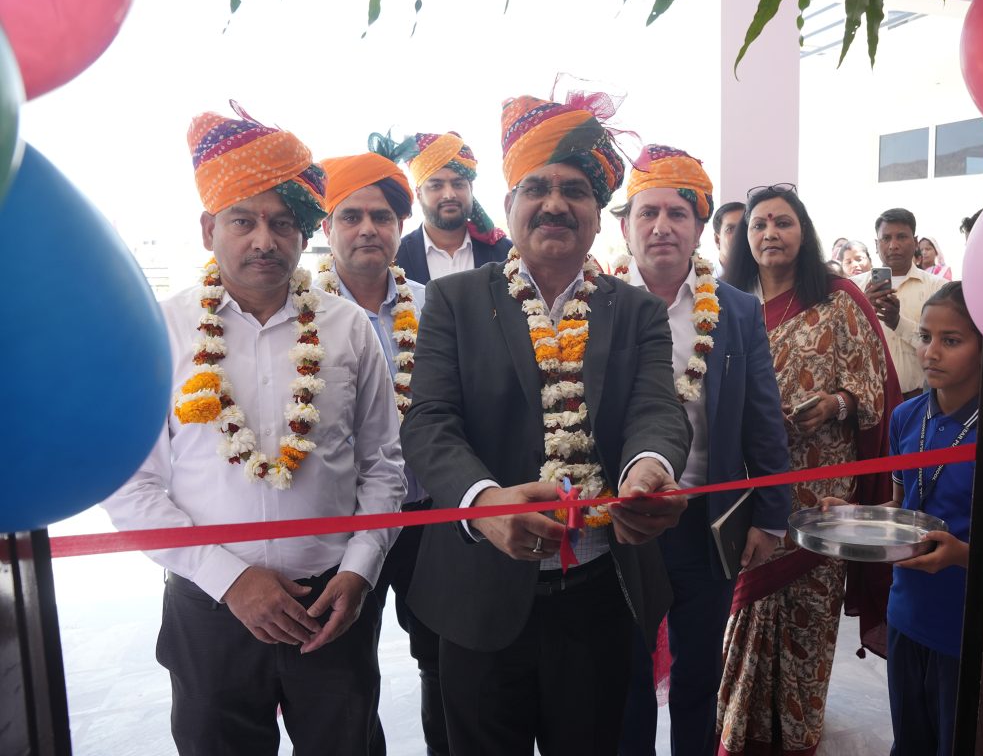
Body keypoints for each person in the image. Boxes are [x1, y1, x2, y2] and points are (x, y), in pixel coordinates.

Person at [102, 103, 406, 756]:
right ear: (208, 229)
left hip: (332, 608)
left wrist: (360, 570)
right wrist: (229, 579)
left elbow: (384, 466)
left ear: (304, 232)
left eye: (282, 222)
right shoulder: (161, 332)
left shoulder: (347, 328)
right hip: (208, 608)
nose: (264, 240)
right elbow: (130, 485)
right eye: (243, 220)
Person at [402, 92, 692, 756]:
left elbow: (657, 409)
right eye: (537, 188)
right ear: (508, 207)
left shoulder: (637, 311)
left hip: (600, 593)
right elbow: (429, 422)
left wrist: (649, 469)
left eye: (575, 190)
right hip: (479, 598)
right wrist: (483, 504)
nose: (555, 204)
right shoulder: (453, 300)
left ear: (598, 213)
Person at [609, 146, 792, 756]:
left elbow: (763, 417)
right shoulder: (599, 304)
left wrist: (770, 514)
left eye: (677, 213)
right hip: (622, 521)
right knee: (627, 675)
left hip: (705, 521)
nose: (662, 226)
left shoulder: (736, 311)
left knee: (698, 673)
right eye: (648, 212)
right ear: (626, 227)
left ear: (699, 227)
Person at [716, 184, 901, 756]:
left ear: (804, 232)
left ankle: (797, 733)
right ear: (745, 239)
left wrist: (835, 405)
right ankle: (738, 731)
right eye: (759, 225)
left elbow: (875, 387)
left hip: (822, 495)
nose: (770, 233)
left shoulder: (839, 299)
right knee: (743, 609)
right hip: (749, 490)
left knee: (808, 616)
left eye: (783, 222)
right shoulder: (725, 304)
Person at [315, 141, 451, 756]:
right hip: (343, 528)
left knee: (444, 661)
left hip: (430, 519)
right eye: (351, 215)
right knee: (343, 677)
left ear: (401, 226)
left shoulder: (435, 305)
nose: (368, 228)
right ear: (327, 228)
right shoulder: (305, 316)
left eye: (382, 216)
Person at [822, 281, 981, 756]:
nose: (931, 352)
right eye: (925, 337)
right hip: (908, 608)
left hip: (962, 617)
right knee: (910, 740)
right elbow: (901, 509)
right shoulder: (907, 417)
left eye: (951, 340)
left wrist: (962, 556)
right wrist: (856, 516)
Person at [392, 130, 513, 283]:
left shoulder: (506, 253)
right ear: (419, 194)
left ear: (471, 189)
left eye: (458, 184)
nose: (449, 195)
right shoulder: (395, 259)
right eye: (436, 186)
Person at [855, 208, 948, 400]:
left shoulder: (938, 288)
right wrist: (861, 309)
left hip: (920, 399)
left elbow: (941, 346)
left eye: (901, 237)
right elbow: (843, 345)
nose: (893, 245)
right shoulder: (854, 288)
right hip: (869, 401)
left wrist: (897, 322)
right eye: (886, 238)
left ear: (915, 242)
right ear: (876, 244)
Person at [712, 200, 746, 275]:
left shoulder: (764, 278)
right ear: (717, 240)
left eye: (744, 228)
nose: (739, 234)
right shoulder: (699, 278)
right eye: (730, 229)